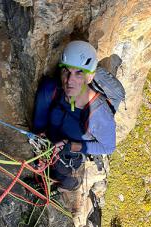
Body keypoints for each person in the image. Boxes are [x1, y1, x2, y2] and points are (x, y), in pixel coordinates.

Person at [33, 40, 116, 192]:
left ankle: (63, 186)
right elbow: (38, 125)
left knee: (66, 176)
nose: (70, 80)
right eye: (66, 71)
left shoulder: (99, 116)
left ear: (90, 77)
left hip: (70, 154)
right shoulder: (50, 90)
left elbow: (109, 146)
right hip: (50, 146)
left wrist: (72, 146)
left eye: (79, 73)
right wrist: (41, 147)